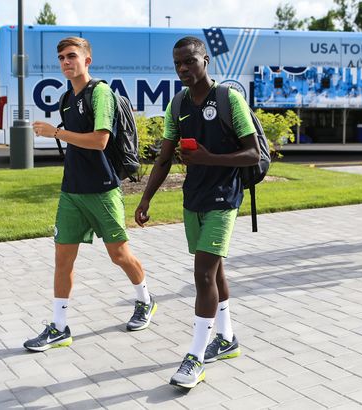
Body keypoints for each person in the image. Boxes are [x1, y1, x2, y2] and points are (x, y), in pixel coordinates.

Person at [135, 36, 259, 389]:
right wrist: (146, 200)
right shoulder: (177, 105)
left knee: (203, 274)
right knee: (215, 271)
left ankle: (195, 357)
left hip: (225, 198)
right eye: (177, 64)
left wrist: (210, 158)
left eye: (189, 61)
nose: (183, 69)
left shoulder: (229, 99)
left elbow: (252, 153)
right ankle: (227, 338)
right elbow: (163, 157)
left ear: (205, 60)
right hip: (194, 200)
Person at [23, 37, 156, 352]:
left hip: (102, 190)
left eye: (72, 56)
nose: (66, 62)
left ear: (87, 60)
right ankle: (59, 326)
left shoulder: (101, 93)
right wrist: (60, 133)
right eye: (61, 58)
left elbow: (99, 141)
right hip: (72, 191)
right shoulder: (67, 98)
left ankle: (145, 300)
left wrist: (54, 132)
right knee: (62, 260)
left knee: (119, 255)